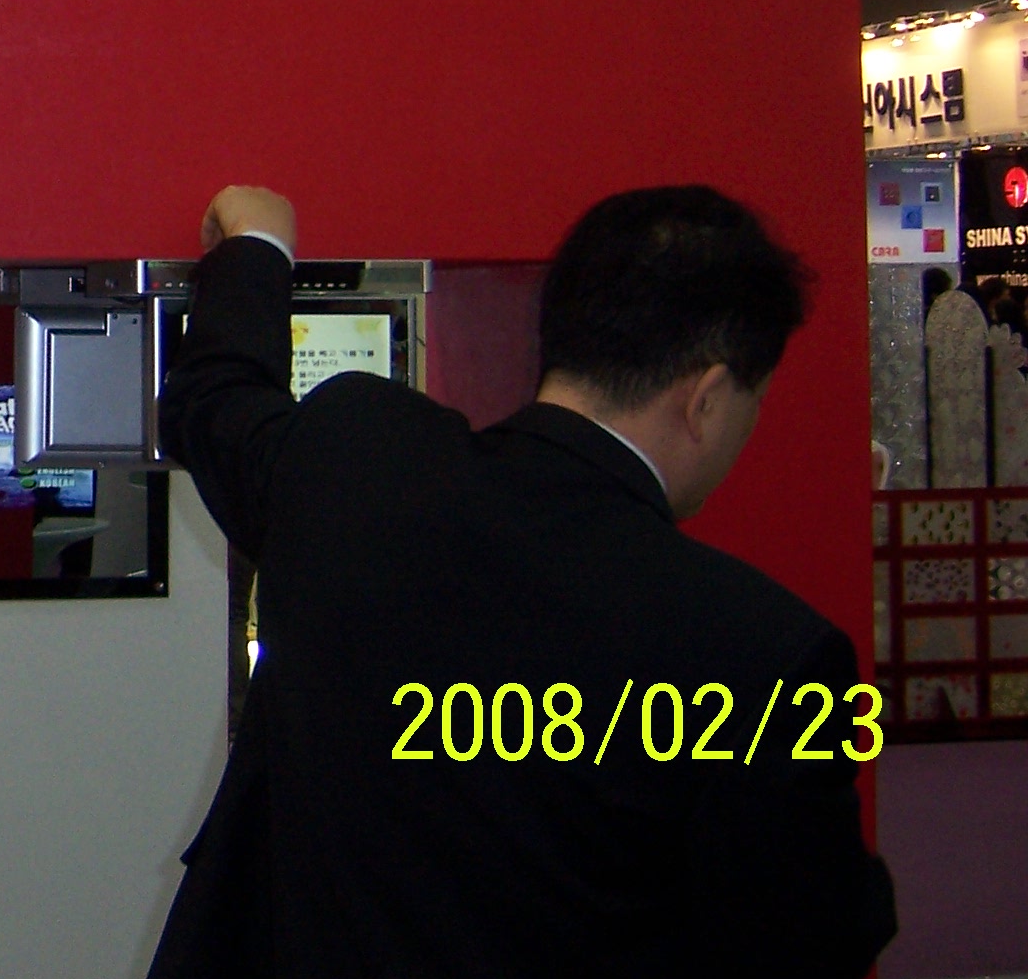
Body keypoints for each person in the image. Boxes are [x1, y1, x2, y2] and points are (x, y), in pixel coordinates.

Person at [151, 184, 895, 979]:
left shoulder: (348, 459)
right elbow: (817, 934)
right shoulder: (764, 653)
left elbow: (213, 397)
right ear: (706, 398)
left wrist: (258, 243)